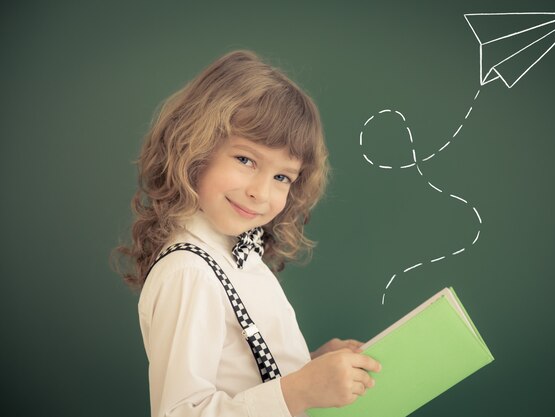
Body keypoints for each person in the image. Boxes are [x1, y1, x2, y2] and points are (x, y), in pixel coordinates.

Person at [111, 50, 381, 417]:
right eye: (245, 160)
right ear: (195, 147)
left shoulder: (238, 255)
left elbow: (243, 377)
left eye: (281, 177)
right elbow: (179, 412)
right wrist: (298, 390)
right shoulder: (190, 272)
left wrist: (311, 367)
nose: (260, 192)